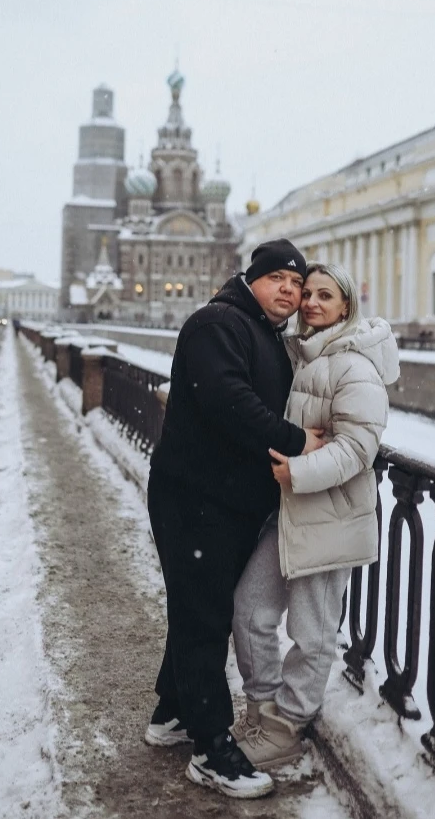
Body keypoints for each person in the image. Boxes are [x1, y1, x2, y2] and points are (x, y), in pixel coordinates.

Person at [145, 239, 326, 800]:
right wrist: (298, 442)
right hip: (197, 500)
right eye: (280, 280)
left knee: (203, 610)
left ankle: (172, 712)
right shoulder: (217, 323)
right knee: (204, 618)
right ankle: (210, 748)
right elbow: (227, 399)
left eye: (297, 287)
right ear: (253, 280)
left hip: (219, 500)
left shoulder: (256, 331)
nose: (290, 293)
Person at [231, 261, 400, 768]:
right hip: (288, 512)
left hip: (330, 514)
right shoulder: (301, 353)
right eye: (308, 293)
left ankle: (287, 728)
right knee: (251, 610)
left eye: (325, 296)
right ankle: (262, 710)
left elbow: (359, 447)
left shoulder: (355, 365)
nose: (311, 303)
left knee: (312, 631)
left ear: (346, 305)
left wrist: (298, 474)